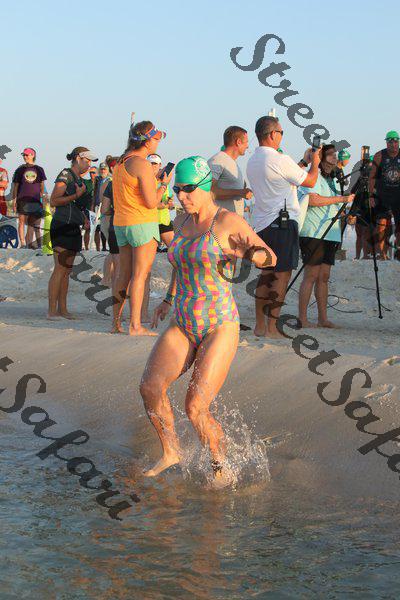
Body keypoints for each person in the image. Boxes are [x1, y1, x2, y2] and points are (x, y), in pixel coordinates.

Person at [139, 156, 276, 484]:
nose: (181, 195)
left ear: (205, 186)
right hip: (183, 320)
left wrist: (248, 254)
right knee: (150, 388)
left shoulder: (226, 221)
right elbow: (181, 264)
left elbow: (270, 257)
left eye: (188, 189)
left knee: (195, 407)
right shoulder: (179, 222)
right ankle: (171, 452)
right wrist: (168, 299)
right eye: (177, 189)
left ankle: (220, 467)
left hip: (218, 324)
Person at [246, 116, 320, 338]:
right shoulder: (279, 159)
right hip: (282, 223)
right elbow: (310, 181)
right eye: (281, 132)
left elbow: (283, 176)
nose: (281, 136)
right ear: (272, 134)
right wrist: (315, 162)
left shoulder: (253, 160)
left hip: (262, 222)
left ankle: (260, 325)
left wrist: (304, 161)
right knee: (281, 275)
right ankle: (272, 327)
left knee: (266, 274)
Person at [111, 120, 172, 335]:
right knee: (140, 275)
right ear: (147, 141)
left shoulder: (120, 162)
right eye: (156, 138)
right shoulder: (142, 164)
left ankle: (115, 323)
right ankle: (135, 325)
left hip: (121, 223)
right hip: (142, 223)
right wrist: (163, 184)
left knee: (123, 275)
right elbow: (151, 202)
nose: (157, 142)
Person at [297, 145, 354, 328]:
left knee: (324, 276)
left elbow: (333, 203)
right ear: (321, 158)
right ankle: (302, 318)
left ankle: (323, 318)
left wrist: (345, 211)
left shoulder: (335, 180)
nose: (334, 158)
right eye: (330, 155)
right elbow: (313, 200)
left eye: (335, 155)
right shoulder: (313, 176)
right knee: (311, 275)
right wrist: (341, 199)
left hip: (331, 232)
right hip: (313, 231)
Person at [47, 146, 98, 319]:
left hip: (74, 226)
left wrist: (84, 218)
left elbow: (76, 206)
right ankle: (52, 311)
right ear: (78, 158)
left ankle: (63, 309)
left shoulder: (80, 180)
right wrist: (76, 196)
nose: (89, 164)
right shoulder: (66, 174)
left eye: (90, 161)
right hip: (62, 225)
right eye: (87, 160)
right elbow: (54, 200)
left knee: (67, 271)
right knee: (60, 269)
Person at [208, 126, 253, 217]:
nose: (247, 146)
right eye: (246, 142)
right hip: (219, 222)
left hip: (233, 222)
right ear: (238, 142)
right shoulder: (218, 160)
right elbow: (209, 192)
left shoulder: (232, 163)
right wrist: (240, 192)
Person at [369, 131, 400, 260]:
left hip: (398, 196)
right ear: (386, 143)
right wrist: (371, 195)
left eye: (395, 141)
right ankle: (382, 253)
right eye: (390, 142)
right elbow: (372, 177)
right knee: (382, 224)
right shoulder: (379, 155)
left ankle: (398, 251)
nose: (393, 144)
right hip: (383, 196)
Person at [12, 148, 46, 248]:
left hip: (35, 200)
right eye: (24, 155)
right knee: (21, 222)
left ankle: (29, 244)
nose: (25, 157)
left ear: (32, 155)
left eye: (27, 155)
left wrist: (42, 197)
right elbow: (16, 186)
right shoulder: (20, 169)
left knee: (32, 223)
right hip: (22, 199)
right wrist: (14, 201)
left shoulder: (39, 169)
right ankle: (23, 244)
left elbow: (42, 185)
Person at [93, 163, 111, 251]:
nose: (103, 171)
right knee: (100, 227)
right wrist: (93, 205)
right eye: (101, 169)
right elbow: (95, 192)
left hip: (106, 206)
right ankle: (103, 247)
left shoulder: (110, 180)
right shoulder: (98, 180)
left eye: (104, 169)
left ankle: (110, 246)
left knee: (106, 226)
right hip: (98, 205)